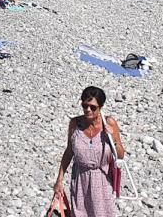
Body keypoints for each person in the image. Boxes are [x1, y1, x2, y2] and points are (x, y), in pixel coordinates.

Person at [51, 85, 125, 217]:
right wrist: (59, 180)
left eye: (93, 107)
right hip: (80, 179)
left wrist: (112, 137)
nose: (88, 110)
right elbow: (69, 152)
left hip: (101, 179)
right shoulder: (75, 124)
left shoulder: (109, 123)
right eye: (85, 106)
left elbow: (120, 155)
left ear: (101, 107)